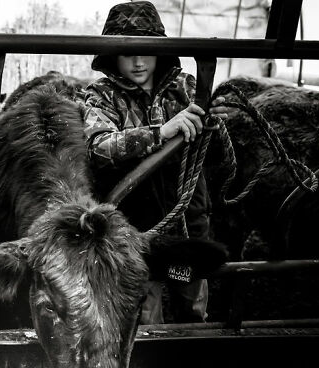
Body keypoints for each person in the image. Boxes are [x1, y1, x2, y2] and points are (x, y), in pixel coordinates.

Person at [83, 1, 230, 324]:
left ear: (160, 51)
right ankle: (149, 365)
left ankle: (191, 352)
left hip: (186, 217)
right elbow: (99, 147)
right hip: (135, 223)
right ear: (112, 56)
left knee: (190, 293)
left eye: (146, 50)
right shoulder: (101, 95)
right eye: (127, 53)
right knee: (144, 308)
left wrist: (216, 126)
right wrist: (160, 133)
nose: (138, 61)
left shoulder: (187, 87)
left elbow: (215, 152)